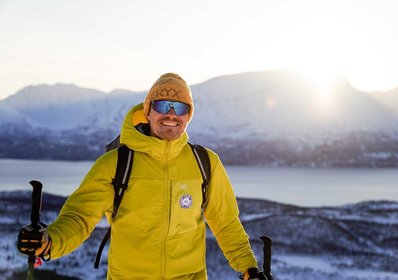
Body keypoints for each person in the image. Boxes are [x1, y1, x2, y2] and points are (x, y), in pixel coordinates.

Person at [17, 73, 268, 280]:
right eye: (162, 105)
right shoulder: (116, 163)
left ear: (188, 116)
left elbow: (226, 223)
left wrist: (249, 269)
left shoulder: (205, 163)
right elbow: (80, 217)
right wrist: (49, 242)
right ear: (148, 111)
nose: (171, 114)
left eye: (179, 107)